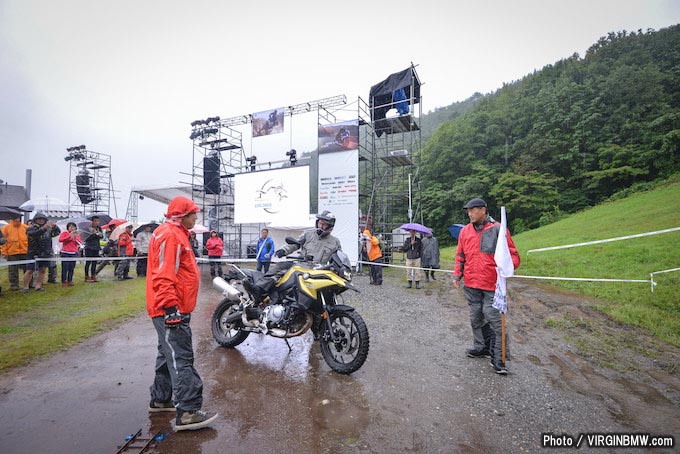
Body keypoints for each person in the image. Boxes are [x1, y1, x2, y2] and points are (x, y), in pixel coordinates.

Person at [146, 196, 218, 431]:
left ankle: (160, 399)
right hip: (170, 308)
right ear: (181, 215)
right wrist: (170, 308)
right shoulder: (170, 234)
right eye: (192, 213)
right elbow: (164, 274)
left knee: (167, 355)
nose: (196, 217)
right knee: (181, 357)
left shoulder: (174, 233)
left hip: (173, 306)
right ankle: (188, 411)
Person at [452, 198, 520, 375]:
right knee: (475, 318)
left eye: (472, 210)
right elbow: (460, 255)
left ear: (483, 210)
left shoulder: (498, 229)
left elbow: (513, 255)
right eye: (468, 211)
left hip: (492, 285)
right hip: (471, 284)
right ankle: (480, 347)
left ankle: (499, 357)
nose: (469, 213)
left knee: (494, 319)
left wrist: (508, 267)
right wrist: (457, 275)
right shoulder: (465, 232)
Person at [248, 211, 342, 303]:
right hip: (302, 266)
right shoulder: (308, 234)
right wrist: (283, 250)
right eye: (320, 223)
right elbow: (295, 244)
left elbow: (339, 258)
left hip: (319, 270)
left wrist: (341, 268)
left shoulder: (335, 242)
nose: (320, 226)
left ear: (330, 226)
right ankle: (259, 289)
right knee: (281, 267)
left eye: (324, 224)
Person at [23, 212, 60, 293]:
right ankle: (25, 287)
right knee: (30, 270)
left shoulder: (48, 229)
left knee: (42, 269)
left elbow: (56, 233)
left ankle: (38, 286)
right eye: (39, 219)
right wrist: (44, 228)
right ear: (35, 220)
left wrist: (55, 227)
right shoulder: (30, 228)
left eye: (42, 219)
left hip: (45, 252)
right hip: (33, 252)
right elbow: (35, 234)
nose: (41, 221)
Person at [1, 215, 28, 291]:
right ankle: (14, 284)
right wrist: (4, 253)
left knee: (27, 269)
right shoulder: (5, 228)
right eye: (15, 217)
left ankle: (29, 283)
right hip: (12, 252)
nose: (17, 219)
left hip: (25, 252)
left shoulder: (25, 227)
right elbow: (3, 242)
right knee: (13, 270)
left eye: (18, 217)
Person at [58, 222, 81, 286]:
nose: (72, 228)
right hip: (65, 253)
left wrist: (75, 237)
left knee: (71, 267)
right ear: (68, 228)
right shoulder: (65, 233)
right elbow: (61, 240)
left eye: (73, 227)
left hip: (73, 253)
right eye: (71, 227)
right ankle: (64, 280)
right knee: (65, 267)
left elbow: (79, 242)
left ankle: (70, 280)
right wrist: (69, 236)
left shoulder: (77, 234)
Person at [83, 216, 103, 282]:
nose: (96, 222)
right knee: (88, 262)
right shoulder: (87, 228)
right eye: (95, 221)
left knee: (94, 262)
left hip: (96, 247)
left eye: (98, 221)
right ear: (91, 221)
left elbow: (101, 237)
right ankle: (86, 276)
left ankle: (93, 275)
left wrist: (100, 235)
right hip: (89, 247)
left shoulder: (99, 228)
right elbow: (86, 238)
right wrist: (95, 235)